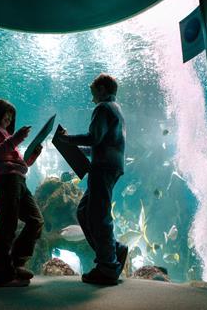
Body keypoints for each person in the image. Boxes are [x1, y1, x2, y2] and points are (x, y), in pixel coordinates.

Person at [58, 73, 127, 285]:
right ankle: (114, 251)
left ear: (102, 90)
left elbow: (94, 137)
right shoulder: (117, 110)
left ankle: (107, 267)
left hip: (103, 168)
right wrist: (76, 147)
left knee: (99, 216)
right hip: (110, 166)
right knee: (84, 211)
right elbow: (100, 144)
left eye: (93, 93)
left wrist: (67, 140)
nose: (92, 99)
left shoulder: (103, 108)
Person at [0, 99, 44, 287]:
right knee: (7, 224)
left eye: (11, 116)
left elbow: (19, 163)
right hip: (6, 179)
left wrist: (32, 156)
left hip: (18, 180)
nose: (8, 118)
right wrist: (17, 138)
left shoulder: (7, 135)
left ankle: (16, 263)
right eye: (6, 113)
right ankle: (3, 274)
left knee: (35, 220)